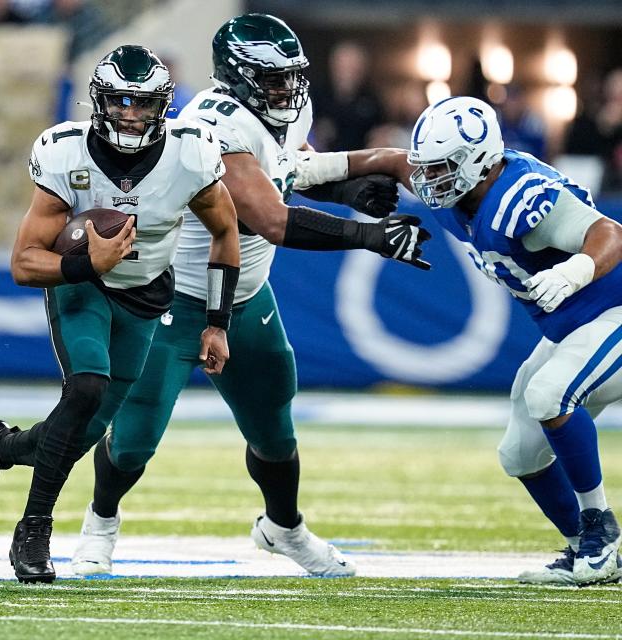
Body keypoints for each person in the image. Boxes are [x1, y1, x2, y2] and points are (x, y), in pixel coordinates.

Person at [64, 13, 432, 577]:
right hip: (176, 298)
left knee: (273, 425)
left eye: (290, 77)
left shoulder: (279, 113)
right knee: (135, 438)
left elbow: (288, 167)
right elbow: (269, 217)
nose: (286, 89)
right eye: (273, 78)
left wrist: (365, 171)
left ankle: (284, 528)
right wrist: (369, 235)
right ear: (236, 77)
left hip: (248, 295)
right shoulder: (213, 124)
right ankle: (100, 524)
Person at [0, 44, 242, 584]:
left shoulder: (191, 155)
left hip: (146, 296)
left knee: (78, 434)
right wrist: (86, 262)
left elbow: (225, 232)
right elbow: (25, 263)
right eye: (118, 101)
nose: (129, 113)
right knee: (84, 391)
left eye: (142, 103)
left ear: (164, 106)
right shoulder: (65, 152)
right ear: (98, 101)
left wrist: (217, 321)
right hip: (82, 288)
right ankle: (34, 530)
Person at [358, 95, 622, 585]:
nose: (430, 179)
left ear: (479, 162)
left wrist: (575, 272)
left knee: (550, 395)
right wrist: (309, 168)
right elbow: (392, 161)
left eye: (442, 168)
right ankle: (583, 547)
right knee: (519, 453)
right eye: (429, 168)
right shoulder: (460, 192)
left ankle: (601, 534)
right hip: (580, 327)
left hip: (614, 310)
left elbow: (610, 233)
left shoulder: (519, 196)